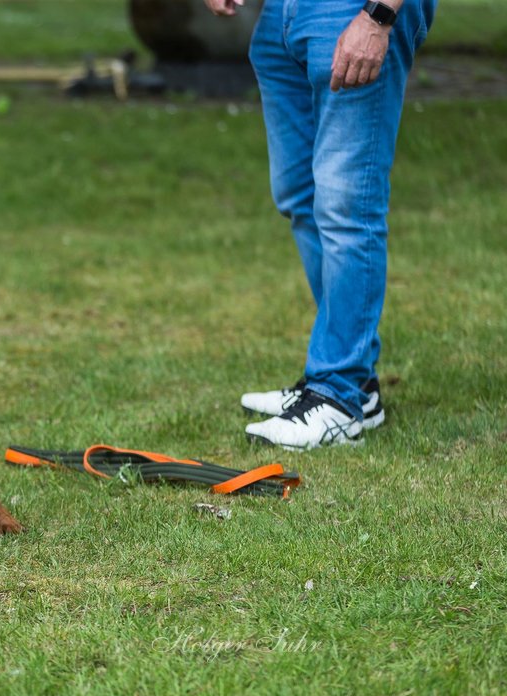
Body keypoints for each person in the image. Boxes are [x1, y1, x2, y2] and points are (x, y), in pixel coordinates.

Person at [205, 0, 435, 448]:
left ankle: (339, 394)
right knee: (300, 196)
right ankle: (357, 387)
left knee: (348, 206)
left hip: (357, 9)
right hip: (284, 12)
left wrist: (379, 16)